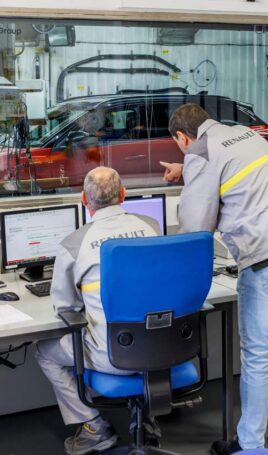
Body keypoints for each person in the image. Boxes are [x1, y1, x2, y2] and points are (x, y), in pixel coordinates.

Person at [162, 104, 268, 455]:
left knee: (258, 356)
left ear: (182, 137)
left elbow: (195, 227)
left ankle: (249, 445)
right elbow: (234, 172)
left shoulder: (200, 152)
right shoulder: (245, 133)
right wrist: (188, 170)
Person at [34, 167, 161, 455]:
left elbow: (65, 309)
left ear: (84, 200)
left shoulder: (74, 245)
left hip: (112, 353)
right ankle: (147, 420)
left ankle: (94, 426)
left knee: (44, 351)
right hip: (161, 345)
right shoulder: (152, 226)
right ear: (123, 195)